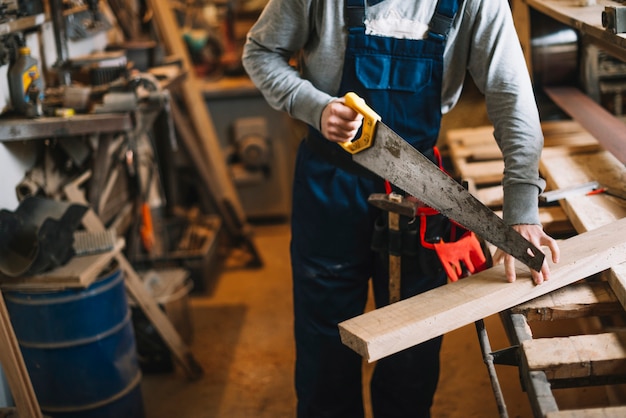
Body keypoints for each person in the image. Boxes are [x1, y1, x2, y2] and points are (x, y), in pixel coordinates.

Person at [242, 0, 561, 417]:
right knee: (326, 355)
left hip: (420, 193)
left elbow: (510, 93)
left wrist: (521, 210)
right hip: (331, 187)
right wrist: (313, 107)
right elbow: (260, 52)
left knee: (412, 359)